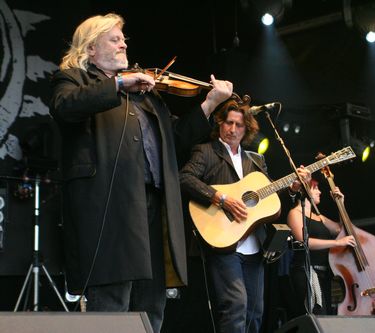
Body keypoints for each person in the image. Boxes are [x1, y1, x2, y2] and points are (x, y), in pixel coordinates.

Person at [49, 13, 233, 333]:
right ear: (91, 48)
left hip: (153, 207)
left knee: (152, 304)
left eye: (123, 39)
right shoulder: (73, 79)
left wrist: (210, 104)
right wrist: (119, 83)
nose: (124, 44)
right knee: (112, 302)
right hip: (109, 205)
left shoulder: (147, 94)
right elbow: (66, 106)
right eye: (115, 39)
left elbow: (175, 140)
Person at [179, 97, 310, 333]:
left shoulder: (256, 159)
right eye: (228, 123)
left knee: (255, 311)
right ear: (219, 124)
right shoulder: (206, 152)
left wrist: (292, 190)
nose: (232, 129)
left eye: (239, 125)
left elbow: (267, 198)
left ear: (246, 129)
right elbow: (185, 178)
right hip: (223, 240)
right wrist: (221, 198)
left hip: (253, 244)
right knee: (235, 306)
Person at [287, 179, 356, 317]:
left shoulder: (319, 216)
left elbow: (341, 229)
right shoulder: (294, 213)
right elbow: (304, 241)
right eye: (315, 188)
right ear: (305, 191)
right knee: (317, 314)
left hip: (325, 273)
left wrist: (340, 205)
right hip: (307, 272)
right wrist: (336, 243)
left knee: (327, 316)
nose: (320, 191)